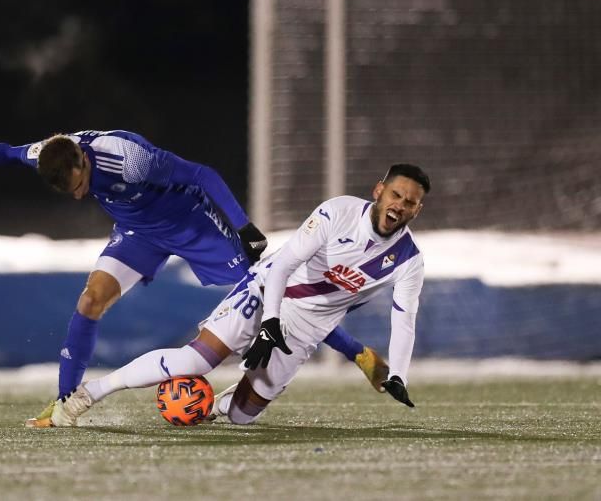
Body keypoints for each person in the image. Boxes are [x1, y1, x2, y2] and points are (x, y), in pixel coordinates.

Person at [0, 130, 388, 422]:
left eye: (80, 186)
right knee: (90, 300)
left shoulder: (130, 160)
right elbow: (6, 153)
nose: (78, 196)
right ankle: (66, 401)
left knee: (274, 292)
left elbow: (201, 174)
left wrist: (243, 226)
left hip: (192, 222)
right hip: (139, 232)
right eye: (70, 192)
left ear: (84, 160)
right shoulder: (48, 154)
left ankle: (359, 354)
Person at [35, 163, 429, 427]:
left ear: (417, 209)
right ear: (379, 190)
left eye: (410, 202)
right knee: (195, 360)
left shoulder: (409, 260)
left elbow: (404, 319)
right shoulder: (338, 212)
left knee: (243, 416)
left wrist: (399, 374)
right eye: (396, 194)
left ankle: (218, 404)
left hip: (307, 328)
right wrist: (270, 322)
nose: (400, 205)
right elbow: (283, 265)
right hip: (267, 289)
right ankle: (87, 395)